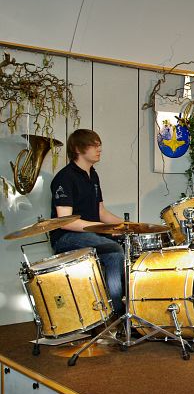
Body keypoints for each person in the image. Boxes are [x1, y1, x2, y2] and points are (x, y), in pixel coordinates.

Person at [50, 129, 126, 316]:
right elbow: (65, 222)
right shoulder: (65, 177)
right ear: (78, 149)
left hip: (90, 234)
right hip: (66, 237)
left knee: (126, 244)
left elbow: (101, 212)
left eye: (99, 145)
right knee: (114, 251)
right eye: (94, 145)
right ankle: (118, 313)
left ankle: (129, 307)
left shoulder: (93, 175)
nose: (99, 149)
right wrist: (103, 229)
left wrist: (129, 226)